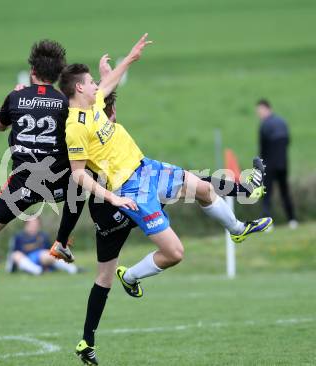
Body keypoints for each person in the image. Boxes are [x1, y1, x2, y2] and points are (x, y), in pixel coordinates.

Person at [58, 34, 272, 364]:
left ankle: (238, 228)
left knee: (202, 188)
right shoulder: (75, 126)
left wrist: (129, 58)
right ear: (78, 89)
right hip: (130, 190)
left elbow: (109, 82)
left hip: (147, 168)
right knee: (175, 253)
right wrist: (112, 199)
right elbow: (78, 174)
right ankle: (128, 278)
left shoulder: (93, 102)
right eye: (89, 82)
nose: (95, 85)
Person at [0, 40, 86, 300]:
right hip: (58, 180)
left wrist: (14, 97)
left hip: (24, 183)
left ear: (32, 71)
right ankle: (61, 243)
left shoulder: (16, 96)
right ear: (58, 74)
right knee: (84, 183)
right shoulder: (65, 103)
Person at [257, 99, 297, 229]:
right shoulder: (282, 122)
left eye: (260, 111)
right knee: (285, 192)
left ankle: (268, 224)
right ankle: (292, 220)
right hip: (283, 163)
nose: (259, 114)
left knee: (266, 195)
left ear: (267, 109)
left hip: (269, 164)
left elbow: (262, 148)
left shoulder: (264, 125)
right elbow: (287, 141)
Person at [5, 217, 79, 275]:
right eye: (31, 224)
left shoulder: (43, 236)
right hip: (25, 260)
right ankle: (37, 271)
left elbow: (51, 253)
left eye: (36, 223)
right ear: (26, 225)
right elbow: (12, 254)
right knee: (16, 255)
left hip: (41, 259)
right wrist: (10, 269)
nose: (33, 225)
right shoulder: (18, 237)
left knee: (46, 254)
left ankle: (72, 269)